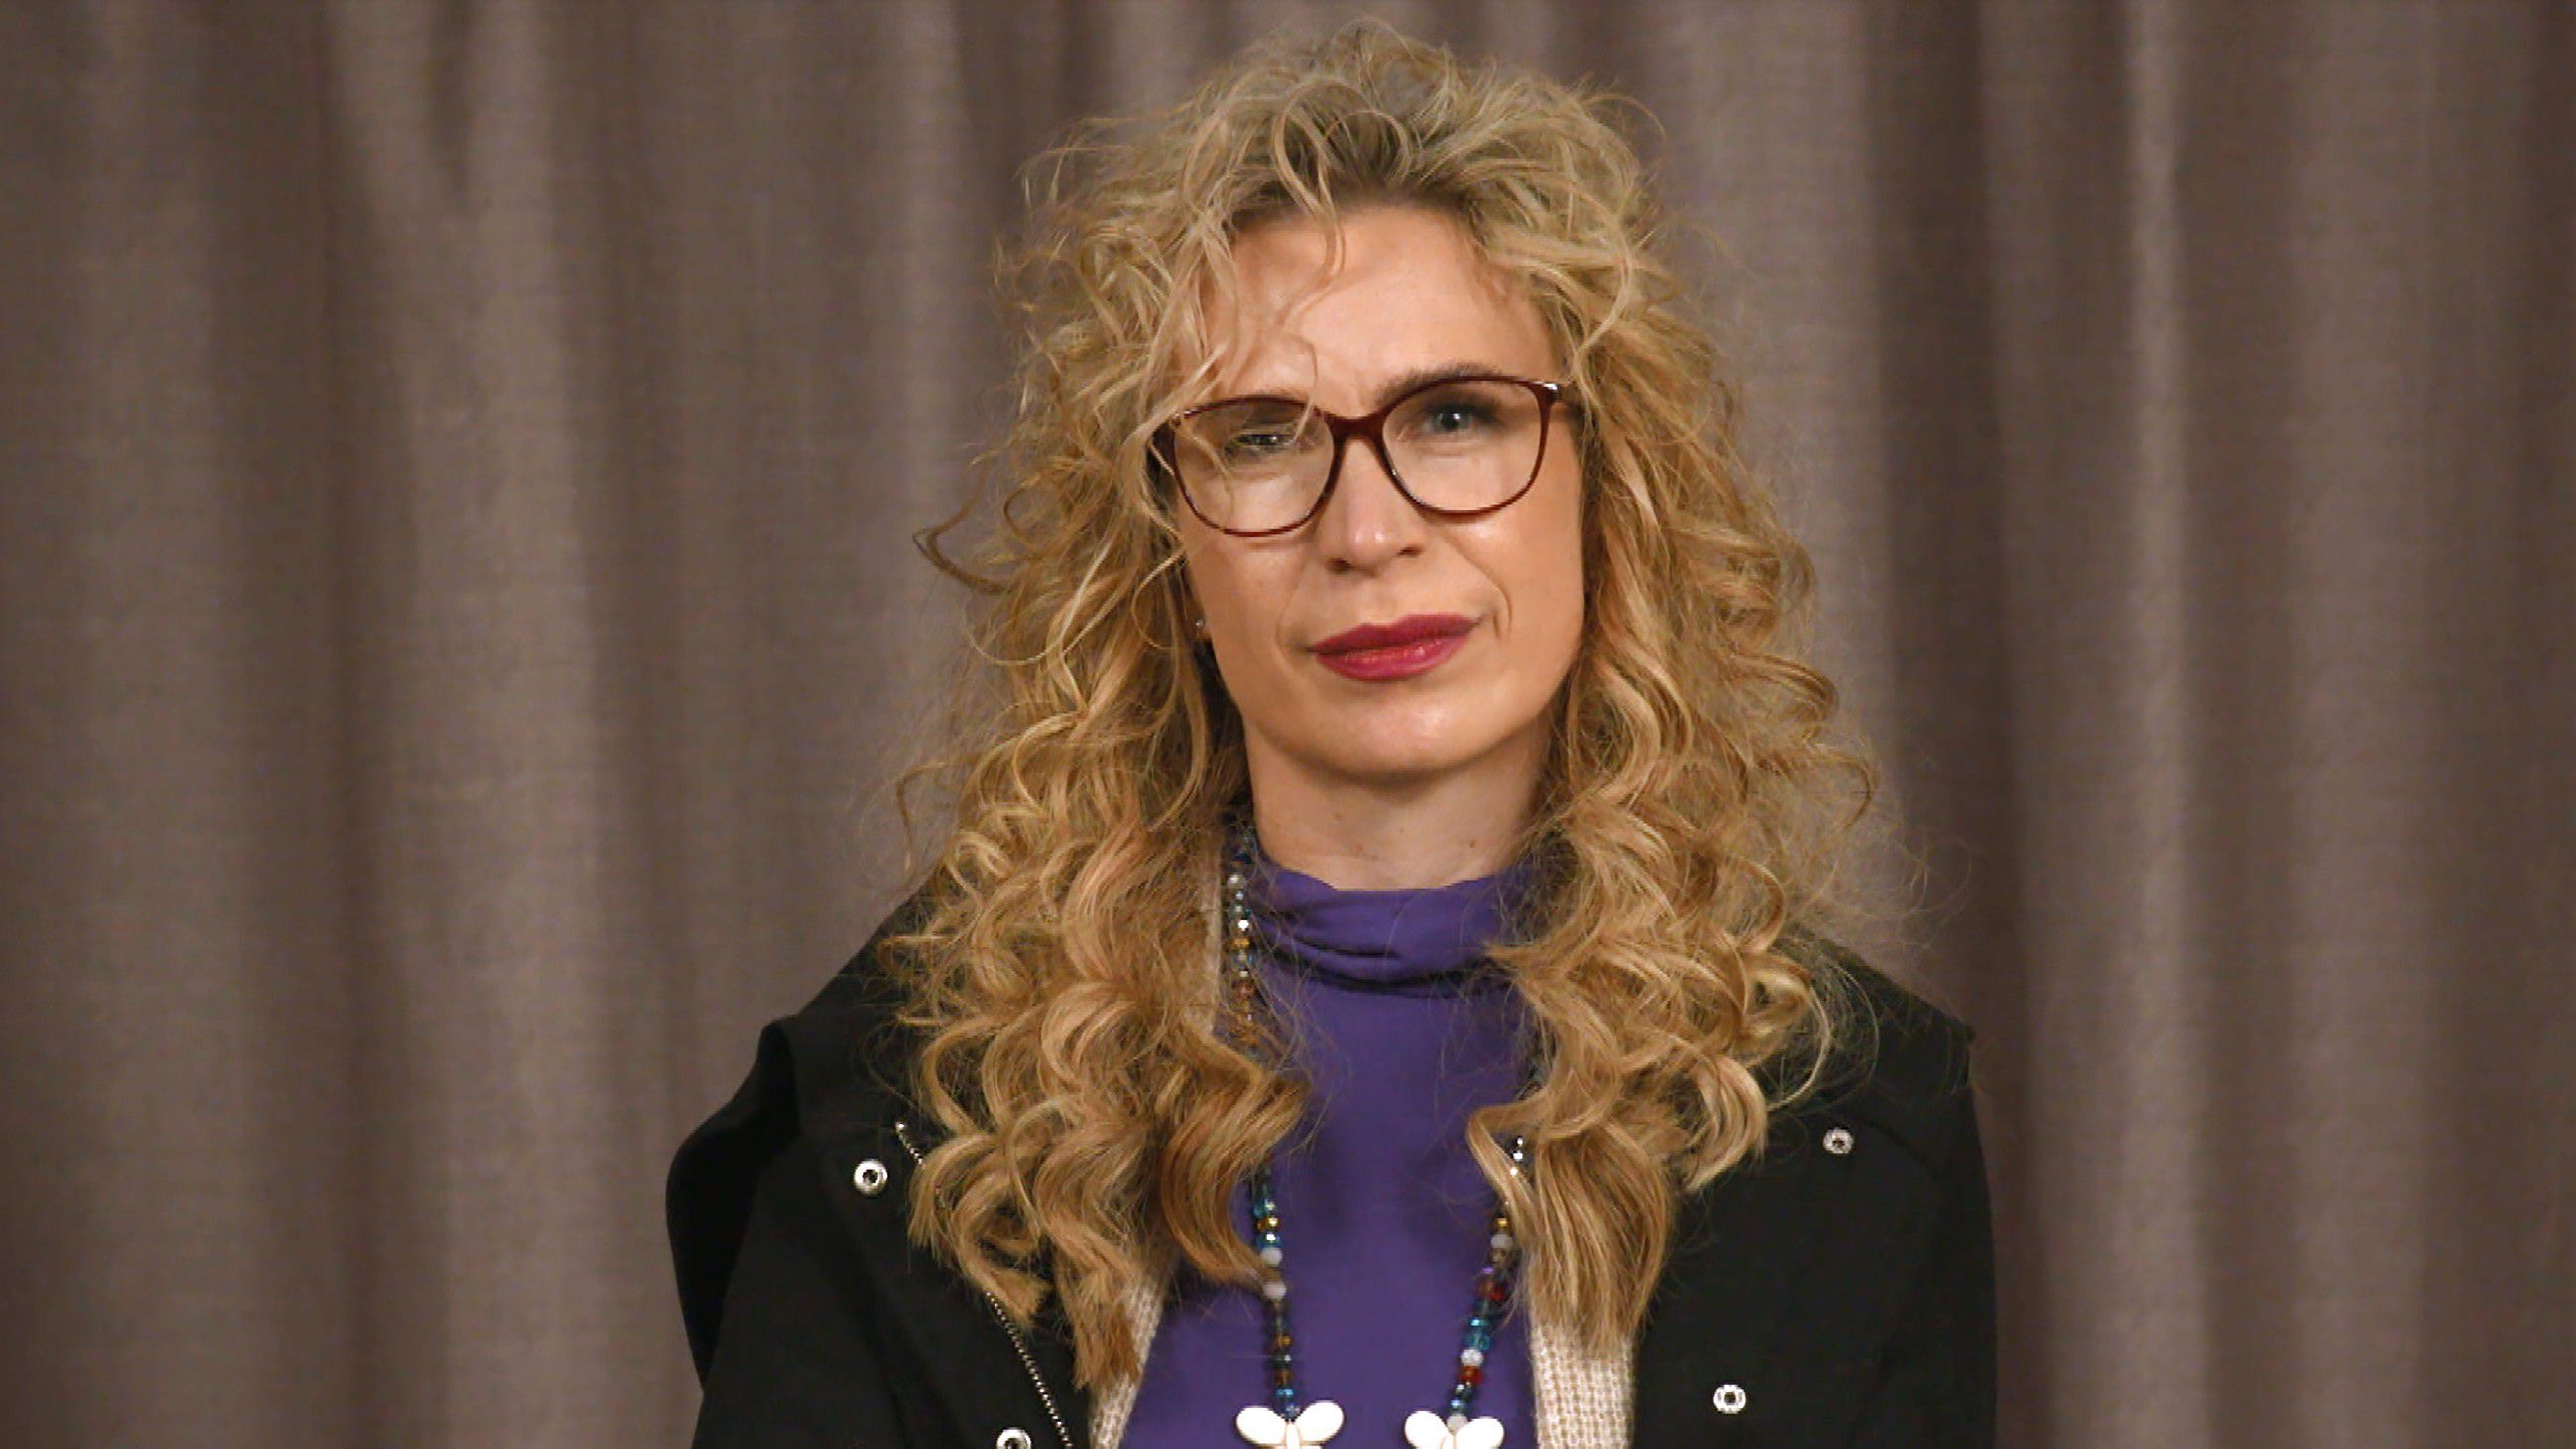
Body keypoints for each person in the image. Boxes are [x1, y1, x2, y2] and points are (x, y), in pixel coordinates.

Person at [667, 19, 1993, 1449]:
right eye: (1259, 436)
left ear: (1608, 492)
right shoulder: (905, 1113)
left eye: (1455, 416)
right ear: (1166, 551)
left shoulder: (1851, 1118)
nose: (1367, 531)